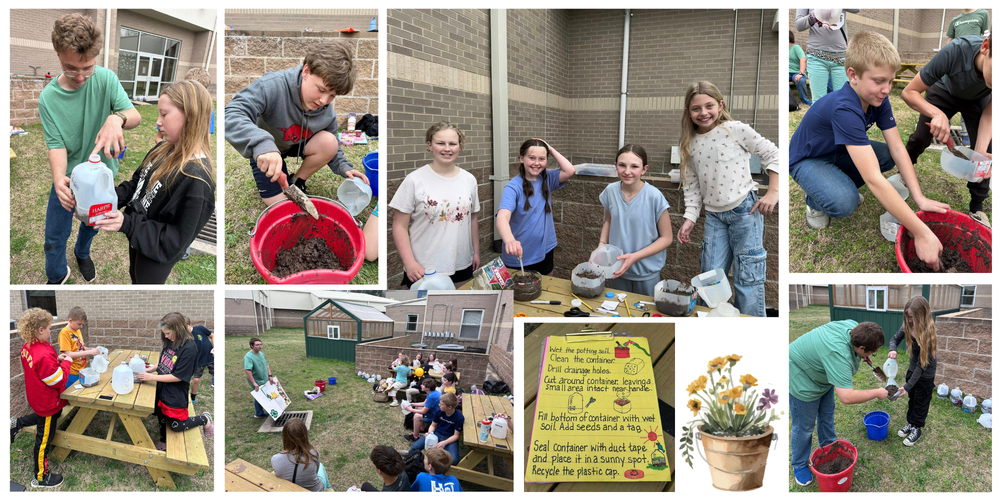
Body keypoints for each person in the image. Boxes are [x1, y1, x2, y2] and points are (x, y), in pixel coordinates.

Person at [789, 31, 950, 270]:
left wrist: (919, 197)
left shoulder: (878, 99)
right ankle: (815, 200)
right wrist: (921, 232)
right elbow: (873, 179)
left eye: (890, 81)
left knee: (884, 155)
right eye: (878, 80)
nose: (886, 89)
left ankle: (835, 183)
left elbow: (897, 147)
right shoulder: (844, 108)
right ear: (853, 75)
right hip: (807, 159)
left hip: (837, 150)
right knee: (844, 202)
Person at [41, 14, 141, 284]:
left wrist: (116, 118)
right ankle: (57, 275)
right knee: (54, 237)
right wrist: (58, 178)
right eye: (72, 68)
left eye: (88, 68)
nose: (82, 77)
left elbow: (134, 115)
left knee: (91, 224)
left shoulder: (107, 79)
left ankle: (82, 253)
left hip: (100, 176)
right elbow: (56, 144)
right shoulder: (48, 98)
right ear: (59, 56)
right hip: (69, 176)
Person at [90, 80, 215, 283]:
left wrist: (128, 223)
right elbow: (137, 185)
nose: (158, 121)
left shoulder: (197, 181)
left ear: (190, 116)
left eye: (164, 114)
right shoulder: (162, 149)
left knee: (144, 282)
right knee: (134, 275)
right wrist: (105, 198)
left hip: (157, 256)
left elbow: (174, 242)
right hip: (139, 238)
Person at [676, 81, 778, 317]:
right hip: (714, 217)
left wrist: (773, 192)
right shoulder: (689, 144)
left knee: (747, 278)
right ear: (688, 112)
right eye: (696, 108)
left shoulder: (736, 130)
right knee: (710, 278)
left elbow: (773, 154)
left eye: (709, 105)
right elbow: (691, 185)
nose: (703, 113)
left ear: (720, 105)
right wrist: (690, 217)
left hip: (745, 212)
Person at [225, 40, 368, 207]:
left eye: (332, 96)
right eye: (321, 90)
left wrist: (343, 167)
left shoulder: (326, 109)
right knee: (280, 206)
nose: (324, 100)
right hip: (267, 149)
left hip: (295, 143)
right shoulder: (272, 85)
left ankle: (297, 181)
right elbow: (232, 113)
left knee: (329, 142)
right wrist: (261, 144)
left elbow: (334, 143)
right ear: (306, 71)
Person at [902, 33, 992, 226]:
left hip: (978, 99)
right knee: (921, 137)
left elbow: (990, 114)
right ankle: (904, 171)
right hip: (945, 90)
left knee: (987, 151)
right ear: (986, 47)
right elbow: (908, 92)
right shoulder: (957, 50)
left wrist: (981, 152)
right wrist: (937, 114)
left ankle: (977, 206)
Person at [788, 320, 888, 487]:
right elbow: (847, 397)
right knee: (804, 427)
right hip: (801, 374)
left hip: (823, 372)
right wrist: (877, 393)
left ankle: (829, 448)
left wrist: (863, 354)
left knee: (826, 415)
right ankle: (799, 464)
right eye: (872, 352)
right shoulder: (837, 355)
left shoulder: (853, 327)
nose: (873, 354)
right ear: (861, 347)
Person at [391, 122, 480, 288]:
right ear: (429, 145)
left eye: (452, 143)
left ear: (460, 146)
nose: (447, 148)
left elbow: (473, 219)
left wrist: (476, 252)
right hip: (425, 268)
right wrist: (410, 263)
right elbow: (399, 226)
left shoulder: (469, 180)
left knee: (459, 308)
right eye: (440, 143)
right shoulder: (414, 180)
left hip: (461, 263)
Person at [598, 144, 672, 296]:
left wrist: (635, 257)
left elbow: (666, 238)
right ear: (615, 166)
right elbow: (609, 221)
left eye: (634, 166)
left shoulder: (654, 197)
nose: (627, 171)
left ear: (644, 169)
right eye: (622, 165)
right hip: (616, 270)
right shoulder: (610, 191)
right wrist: (601, 246)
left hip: (646, 274)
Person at [496, 139, 576, 275]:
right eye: (532, 158)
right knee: (522, 294)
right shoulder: (513, 187)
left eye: (542, 159)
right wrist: (510, 241)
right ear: (522, 158)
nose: (537, 163)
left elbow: (570, 170)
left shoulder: (547, 178)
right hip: (520, 254)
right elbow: (502, 217)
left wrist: (549, 148)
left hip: (545, 248)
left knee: (546, 289)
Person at [11, 308, 72, 487]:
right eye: (49, 328)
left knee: (52, 419)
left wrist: (56, 361)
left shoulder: (28, 346)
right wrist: (67, 362)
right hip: (47, 402)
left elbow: (43, 370)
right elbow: (58, 380)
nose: (50, 331)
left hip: (37, 396)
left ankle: (17, 423)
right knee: (43, 439)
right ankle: (40, 477)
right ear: (40, 330)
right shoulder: (43, 353)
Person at [137, 313, 213, 452]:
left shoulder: (190, 349)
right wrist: (153, 368)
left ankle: (205, 419)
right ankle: (163, 441)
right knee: (160, 414)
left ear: (178, 330)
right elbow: (165, 360)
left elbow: (179, 376)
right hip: (162, 386)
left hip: (175, 392)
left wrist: (152, 378)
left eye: (168, 333)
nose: (165, 336)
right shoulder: (170, 342)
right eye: (164, 333)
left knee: (176, 425)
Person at [888, 296, 939, 447]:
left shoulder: (928, 335)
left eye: (912, 317)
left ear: (922, 316)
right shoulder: (907, 327)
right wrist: (892, 349)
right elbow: (894, 339)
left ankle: (917, 428)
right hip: (913, 369)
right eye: (908, 317)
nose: (909, 320)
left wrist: (907, 385)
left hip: (925, 373)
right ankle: (910, 423)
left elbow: (921, 366)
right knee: (912, 398)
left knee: (921, 401)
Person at [794, 9, 861, 102]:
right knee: (818, 102)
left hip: (841, 56)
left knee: (844, 101)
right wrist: (816, 14)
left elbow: (857, 8)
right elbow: (798, 25)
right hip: (816, 56)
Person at [271, 418, 330, 491]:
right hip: (314, 491)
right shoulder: (314, 454)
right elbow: (316, 471)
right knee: (321, 466)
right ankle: (330, 490)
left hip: (288, 490)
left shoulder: (275, 459)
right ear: (305, 435)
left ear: (284, 437)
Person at [58, 306, 100, 385]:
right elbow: (68, 354)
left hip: (82, 370)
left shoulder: (76, 329)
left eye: (82, 324)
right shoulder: (64, 333)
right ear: (70, 320)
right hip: (72, 372)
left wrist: (90, 349)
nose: (81, 326)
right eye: (79, 324)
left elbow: (79, 348)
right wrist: (89, 352)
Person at [186, 316, 214, 405]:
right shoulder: (184, 337)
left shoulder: (200, 328)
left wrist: (215, 348)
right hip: (198, 361)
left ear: (190, 325)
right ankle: (193, 398)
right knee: (196, 380)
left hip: (211, 357)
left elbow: (212, 336)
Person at [244, 337, 275, 418]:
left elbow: (266, 365)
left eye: (261, 344)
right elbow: (247, 370)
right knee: (261, 395)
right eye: (257, 345)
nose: (260, 346)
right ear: (252, 346)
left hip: (264, 379)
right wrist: (254, 383)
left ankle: (259, 413)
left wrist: (270, 375)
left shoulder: (261, 354)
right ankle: (261, 413)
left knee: (261, 395)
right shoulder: (248, 357)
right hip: (257, 381)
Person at [790, 31, 812, 106]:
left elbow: (803, 59)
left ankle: (804, 100)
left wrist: (801, 73)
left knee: (801, 80)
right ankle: (790, 102)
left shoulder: (796, 47)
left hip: (797, 72)